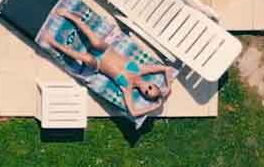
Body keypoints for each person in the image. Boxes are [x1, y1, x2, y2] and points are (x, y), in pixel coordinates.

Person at [46, 8, 174, 117]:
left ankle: (54, 44)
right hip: (106, 50)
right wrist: (168, 87)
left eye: (146, 93)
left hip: (98, 64)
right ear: (152, 83)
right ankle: (71, 16)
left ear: (143, 95)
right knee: (96, 42)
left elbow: (133, 112)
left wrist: (152, 108)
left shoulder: (127, 88)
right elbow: (167, 69)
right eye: (150, 87)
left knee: (87, 59)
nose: (146, 89)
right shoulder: (141, 69)